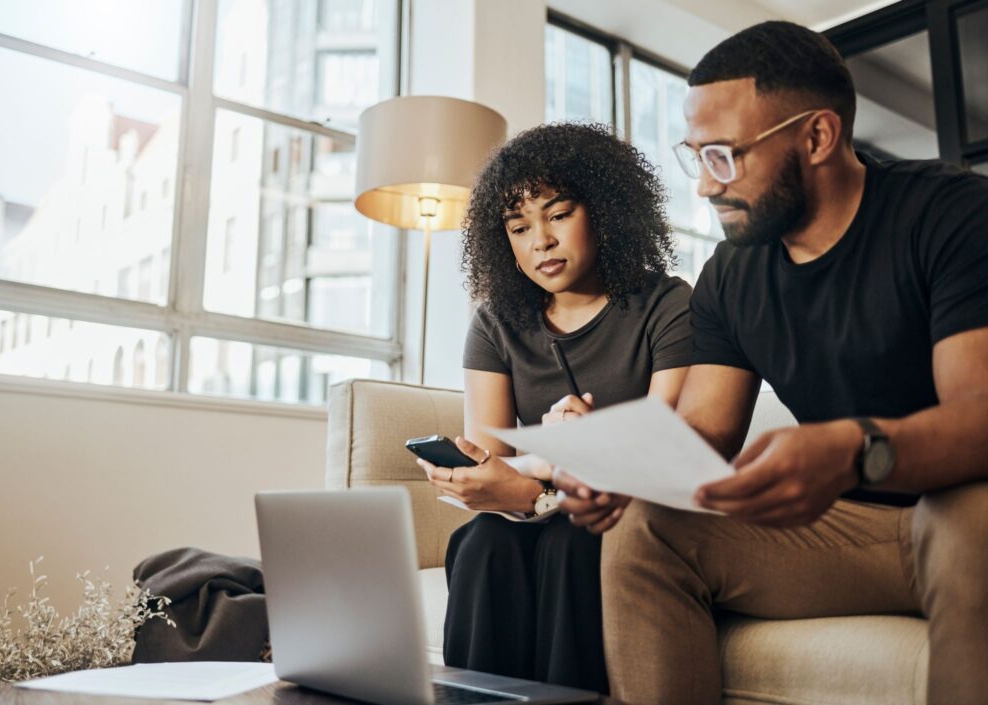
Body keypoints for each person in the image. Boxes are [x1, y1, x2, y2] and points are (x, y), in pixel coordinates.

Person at [555, 21, 988, 705]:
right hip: (857, 534)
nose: (702, 187)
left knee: (971, 521)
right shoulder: (731, 274)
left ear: (816, 137)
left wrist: (851, 450)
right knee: (644, 529)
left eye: (723, 156)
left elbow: (978, 418)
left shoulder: (951, 215)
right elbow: (703, 433)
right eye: (694, 156)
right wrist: (624, 472)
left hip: (965, 506)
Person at [413, 123, 693, 694]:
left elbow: (671, 448)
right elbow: (494, 459)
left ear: (607, 210)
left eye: (558, 215)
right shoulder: (495, 323)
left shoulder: (667, 305)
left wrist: (552, 467)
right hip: (536, 507)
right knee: (481, 542)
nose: (539, 240)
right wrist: (480, 472)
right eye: (519, 227)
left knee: (572, 544)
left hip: (627, 511)